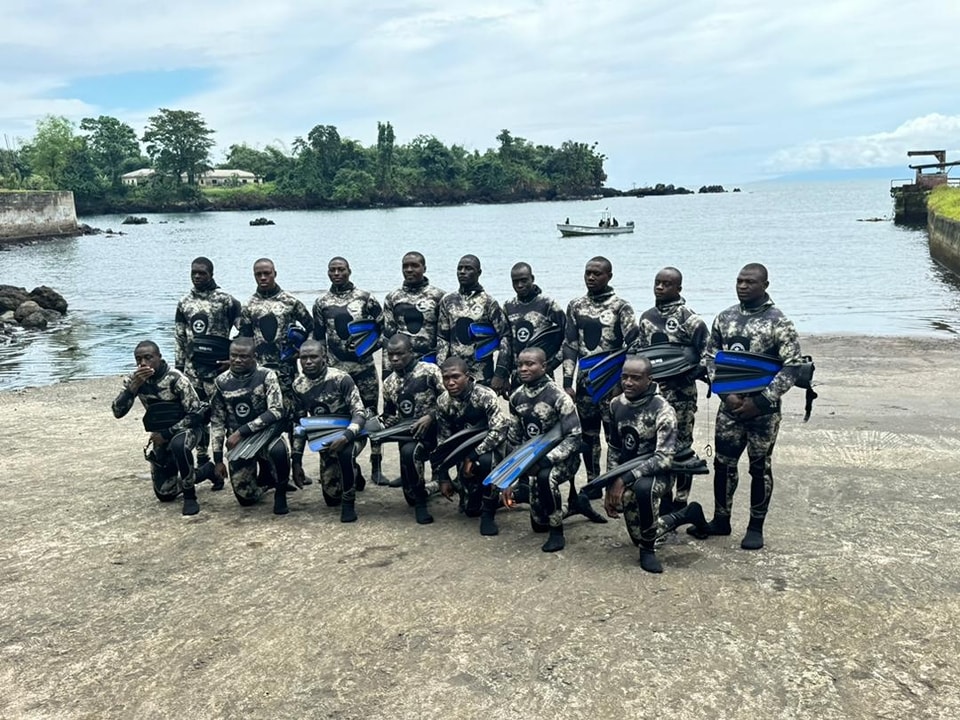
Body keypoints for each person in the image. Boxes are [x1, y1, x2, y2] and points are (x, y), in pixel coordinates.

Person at [688, 263, 802, 550]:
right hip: (730, 406)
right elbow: (710, 358)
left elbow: (792, 368)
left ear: (765, 285)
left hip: (763, 411)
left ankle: (755, 526)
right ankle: (721, 520)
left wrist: (762, 401)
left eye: (750, 282)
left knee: (759, 468)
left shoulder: (779, 322)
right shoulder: (724, 318)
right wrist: (726, 394)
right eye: (739, 281)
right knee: (723, 465)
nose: (742, 286)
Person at [603, 356, 708, 573]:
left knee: (644, 489)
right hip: (629, 470)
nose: (628, 383)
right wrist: (610, 482)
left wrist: (624, 479)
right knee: (637, 536)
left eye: (636, 378)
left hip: (660, 473)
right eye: (625, 377)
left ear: (650, 379)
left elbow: (663, 459)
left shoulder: (663, 409)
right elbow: (614, 448)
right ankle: (687, 514)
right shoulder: (615, 405)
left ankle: (648, 551)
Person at [561, 256, 638, 523]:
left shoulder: (621, 307)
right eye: (587, 273)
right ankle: (594, 481)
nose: (591, 277)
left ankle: (613, 484)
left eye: (597, 273)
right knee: (588, 436)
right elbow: (570, 344)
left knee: (615, 438)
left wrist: (623, 383)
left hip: (613, 386)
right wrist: (567, 382)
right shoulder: (576, 306)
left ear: (609, 276)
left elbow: (634, 346)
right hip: (585, 385)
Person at [634, 267, 708, 513]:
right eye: (657, 283)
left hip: (682, 395)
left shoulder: (690, 319)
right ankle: (664, 498)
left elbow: (709, 353)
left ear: (679, 288)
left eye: (667, 284)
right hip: (654, 396)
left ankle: (681, 500)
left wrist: (690, 374)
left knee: (682, 448)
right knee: (658, 445)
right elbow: (640, 353)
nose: (660, 287)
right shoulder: (646, 317)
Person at [238, 257, 312, 488]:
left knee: (294, 419)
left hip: (287, 372)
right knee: (263, 419)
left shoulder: (290, 302)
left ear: (275, 273)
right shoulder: (248, 306)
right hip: (259, 375)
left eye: (266, 273)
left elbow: (311, 328)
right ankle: (269, 471)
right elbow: (244, 339)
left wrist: (301, 350)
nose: (262, 278)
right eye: (258, 274)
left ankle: (296, 467)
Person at [112, 340, 209, 515]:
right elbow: (117, 412)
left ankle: (190, 496)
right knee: (165, 493)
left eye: (148, 358)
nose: (143, 363)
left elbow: (197, 414)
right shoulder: (135, 379)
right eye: (139, 359)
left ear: (159, 358)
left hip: (187, 429)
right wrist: (133, 388)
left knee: (180, 445)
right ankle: (205, 472)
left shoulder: (176, 378)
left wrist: (167, 433)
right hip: (160, 434)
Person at [312, 257, 383, 489]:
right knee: (341, 420)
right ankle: (349, 462)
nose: (336, 273)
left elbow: (384, 330)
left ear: (349, 271)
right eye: (332, 270)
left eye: (340, 269)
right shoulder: (321, 302)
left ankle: (377, 466)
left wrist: (369, 347)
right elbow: (318, 338)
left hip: (365, 371)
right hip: (336, 375)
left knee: (372, 417)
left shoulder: (366, 298)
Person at [503, 347, 582, 552]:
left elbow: (574, 438)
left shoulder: (559, 397)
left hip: (564, 458)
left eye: (530, 364)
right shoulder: (516, 397)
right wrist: (509, 476)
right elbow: (514, 439)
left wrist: (546, 460)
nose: (523, 369)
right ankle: (574, 506)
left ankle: (557, 533)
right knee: (539, 523)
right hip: (532, 460)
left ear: (544, 366)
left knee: (546, 477)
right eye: (520, 364)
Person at [209, 337, 291, 514]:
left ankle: (281, 490)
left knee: (279, 450)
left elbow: (276, 410)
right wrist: (217, 460)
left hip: (265, 433)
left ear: (255, 356)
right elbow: (217, 421)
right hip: (239, 442)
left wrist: (242, 431)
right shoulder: (221, 382)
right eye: (234, 355)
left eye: (244, 356)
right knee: (246, 499)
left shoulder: (266, 375)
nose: (238, 360)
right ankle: (265, 483)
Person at [174, 256, 241, 469]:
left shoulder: (225, 300)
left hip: (219, 370)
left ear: (211, 274)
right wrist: (179, 370)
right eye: (194, 272)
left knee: (221, 415)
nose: (197, 276)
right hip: (193, 372)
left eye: (202, 273)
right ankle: (202, 458)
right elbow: (180, 338)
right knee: (196, 415)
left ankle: (227, 458)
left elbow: (244, 330)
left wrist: (233, 359)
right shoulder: (184, 302)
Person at [290, 340, 367, 523]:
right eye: (304, 358)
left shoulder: (341, 378)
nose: (308, 361)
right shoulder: (298, 385)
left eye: (313, 357)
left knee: (345, 454)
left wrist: (346, 436)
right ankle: (355, 472)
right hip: (324, 437)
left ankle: (349, 502)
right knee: (331, 499)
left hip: (350, 433)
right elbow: (299, 425)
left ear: (324, 358)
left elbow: (360, 414)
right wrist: (297, 460)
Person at [434, 356, 510, 536]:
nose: (450, 382)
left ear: (467, 377)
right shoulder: (443, 401)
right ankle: (478, 496)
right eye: (446, 378)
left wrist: (474, 455)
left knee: (486, 462)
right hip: (464, 451)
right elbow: (443, 441)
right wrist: (443, 476)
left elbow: (499, 430)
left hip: (492, 448)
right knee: (470, 510)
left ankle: (488, 515)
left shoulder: (485, 395)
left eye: (455, 377)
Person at [380, 334, 443, 524]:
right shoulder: (389, 383)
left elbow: (449, 402)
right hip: (408, 434)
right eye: (390, 355)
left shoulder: (430, 371)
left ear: (411, 352)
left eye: (400, 354)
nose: (394, 359)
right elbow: (389, 413)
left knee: (412, 454)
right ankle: (426, 490)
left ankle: (422, 504)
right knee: (409, 496)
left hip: (436, 431)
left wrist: (430, 416)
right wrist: (388, 421)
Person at [436, 255, 507, 388]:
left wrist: (500, 374)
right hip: (454, 374)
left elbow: (505, 338)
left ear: (479, 273)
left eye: (468, 268)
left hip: (482, 374)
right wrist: (441, 369)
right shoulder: (448, 301)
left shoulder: (488, 302)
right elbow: (442, 339)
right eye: (459, 268)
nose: (462, 272)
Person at [496, 262, 566, 391]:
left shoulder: (547, 304)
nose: (520, 285)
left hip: (543, 375)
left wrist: (552, 364)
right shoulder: (508, 306)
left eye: (524, 281)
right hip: (518, 375)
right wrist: (504, 375)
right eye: (515, 282)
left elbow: (567, 337)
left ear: (532, 279)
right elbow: (506, 343)